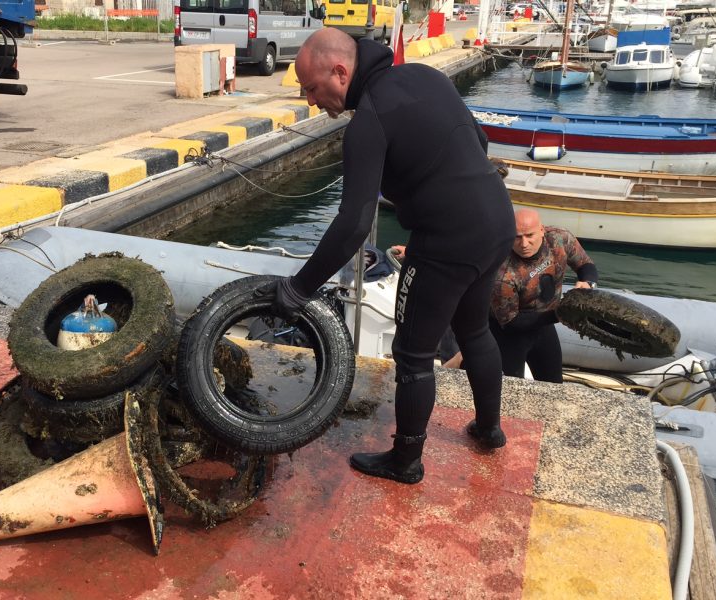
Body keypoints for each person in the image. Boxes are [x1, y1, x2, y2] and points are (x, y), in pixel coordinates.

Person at [255, 28, 516, 484]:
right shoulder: (422, 75)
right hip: (496, 219)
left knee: (413, 353)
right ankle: (490, 430)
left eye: (312, 89)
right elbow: (478, 140)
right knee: (474, 328)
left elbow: (353, 225)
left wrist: (297, 289)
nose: (311, 102)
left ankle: (406, 461)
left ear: (340, 72)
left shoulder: (367, 123)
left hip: (447, 239)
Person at [490, 208, 598, 383]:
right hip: (508, 334)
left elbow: (585, 265)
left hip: (544, 327)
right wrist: (562, 314)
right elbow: (511, 323)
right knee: (510, 389)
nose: (524, 244)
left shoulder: (559, 239)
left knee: (554, 384)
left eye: (529, 235)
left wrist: (588, 283)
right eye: (517, 237)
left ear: (542, 230)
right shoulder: (503, 273)